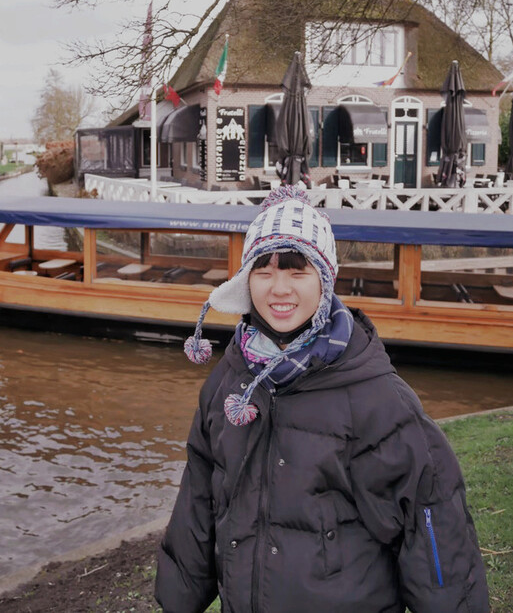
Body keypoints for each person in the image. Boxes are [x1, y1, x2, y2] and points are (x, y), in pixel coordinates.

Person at [155, 186, 489, 613]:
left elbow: (432, 520)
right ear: (246, 280)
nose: (279, 289)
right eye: (263, 271)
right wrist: (178, 597)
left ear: (325, 281)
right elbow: (199, 497)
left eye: (298, 273)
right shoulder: (228, 381)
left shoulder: (378, 399)